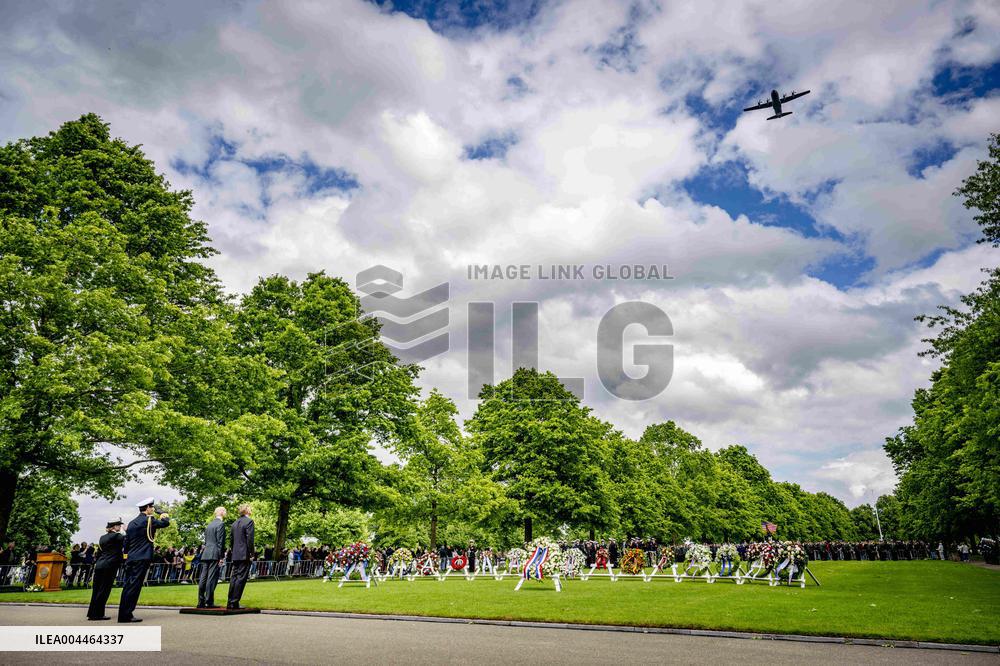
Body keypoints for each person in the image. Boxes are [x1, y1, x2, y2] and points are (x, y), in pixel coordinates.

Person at [117, 497, 170, 623]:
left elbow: (127, 543)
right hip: (141, 558)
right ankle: (126, 615)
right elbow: (165, 523)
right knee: (134, 587)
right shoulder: (149, 520)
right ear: (147, 508)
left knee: (128, 586)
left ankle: (123, 613)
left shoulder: (132, 523)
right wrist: (162, 512)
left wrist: (126, 557)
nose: (152, 509)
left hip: (131, 558)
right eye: (152, 507)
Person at [87, 519, 125, 621]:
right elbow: (125, 539)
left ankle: (92, 613)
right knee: (104, 589)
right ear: (114, 527)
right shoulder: (117, 536)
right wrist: (125, 531)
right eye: (118, 526)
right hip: (110, 565)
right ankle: (98, 614)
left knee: (96, 590)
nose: (120, 527)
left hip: (100, 564)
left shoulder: (102, 538)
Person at [197, 507, 227, 608]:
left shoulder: (209, 525)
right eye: (225, 511)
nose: (226, 512)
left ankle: (200, 601)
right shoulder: (221, 524)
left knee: (203, 577)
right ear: (221, 512)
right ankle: (209, 601)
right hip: (214, 553)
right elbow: (220, 542)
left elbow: (206, 541)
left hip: (206, 553)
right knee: (211, 578)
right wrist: (221, 556)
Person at [227, 504, 255, 610]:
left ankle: (230, 601)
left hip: (236, 554)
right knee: (241, 578)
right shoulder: (249, 522)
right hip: (244, 554)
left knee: (234, 578)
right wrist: (252, 554)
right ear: (247, 510)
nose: (251, 509)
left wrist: (233, 552)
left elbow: (232, 540)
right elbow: (250, 539)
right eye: (250, 508)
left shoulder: (234, 523)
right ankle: (235, 602)